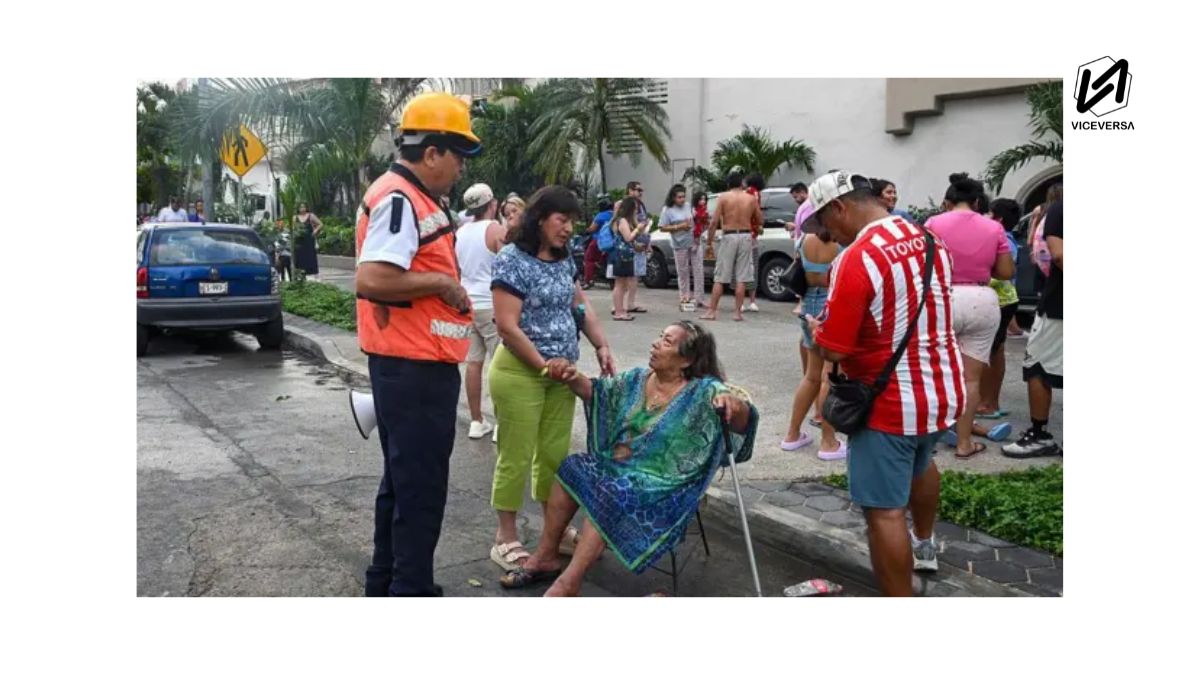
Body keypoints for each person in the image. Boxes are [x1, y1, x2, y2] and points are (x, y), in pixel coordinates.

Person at [498, 320, 758, 594]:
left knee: (609, 493)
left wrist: (735, 405)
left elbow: (742, 419)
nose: (656, 344)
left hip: (665, 483)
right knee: (572, 467)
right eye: (659, 336)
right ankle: (545, 558)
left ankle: (568, 583)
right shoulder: (637, 379)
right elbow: (597, 393)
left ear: (686, 360)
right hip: (621, 467)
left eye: (667, 342)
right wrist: (572, 376)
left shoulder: (704, 390)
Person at [806, 170, 964, 596]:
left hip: (888, 403)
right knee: (921, 464)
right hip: (941, 393)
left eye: (823, 222)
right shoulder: (930, 239)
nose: (826, 234)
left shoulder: (856, 259)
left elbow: (836, 349)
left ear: (839, 207)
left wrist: (815, 329)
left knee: (884, 514)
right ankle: (925, 542)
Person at [354, 92, 481, 597]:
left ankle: (387, 582)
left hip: (410, 366)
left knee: (403, 485)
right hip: (412, 370)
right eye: (458, 157)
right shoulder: (401, 200)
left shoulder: (410, 197)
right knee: (420, 490)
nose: (460, 171)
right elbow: (372, 279)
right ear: (431, 152)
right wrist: (442, 287)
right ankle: (411, 590)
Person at [488, 186, 615, 574]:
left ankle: (554, 533)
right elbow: (508, 326)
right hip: (520, 372)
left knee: (554, 458)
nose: (568, 228)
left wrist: (600, 344)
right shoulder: (512, 260)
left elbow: (579, 304)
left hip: (562, 375)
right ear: (540, 218)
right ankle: (505, 537)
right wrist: (545, 364)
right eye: (562, 220)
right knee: (516, 455)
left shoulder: (564, 259)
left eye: (573, 221)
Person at [925, 174, 1015, 458]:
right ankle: (964, 443)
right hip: (980, 300)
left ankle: (926, 442)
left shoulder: (932, 224)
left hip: (941, 298)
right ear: (977, 202)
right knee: (971, 379)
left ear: (947, 202)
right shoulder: (994, 228)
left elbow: (921, 262)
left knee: (931, 372)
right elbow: (1005, 272)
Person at [781, 220, 845, 460]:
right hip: (830, 307)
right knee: (829, 376)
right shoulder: (841, 244)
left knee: (811, 375)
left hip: (808, 304)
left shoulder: (804, 240)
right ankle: (828, 442)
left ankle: (792, 434)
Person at [1004, 198, 1063, 458]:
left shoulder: (1062, 208)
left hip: (1059, 304)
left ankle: (1039, 434)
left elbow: (1058, 254)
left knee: (1037, 366)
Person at [455, 183, 509, 441]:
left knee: (473, 364)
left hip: (467, 304)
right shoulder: (496, 230)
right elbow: (508, 268)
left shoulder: (461, 232)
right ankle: (502, 423)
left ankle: (477, 420)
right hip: (491, 304)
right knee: (501, 366)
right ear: (493, 204)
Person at [977, 198, 1022, 419]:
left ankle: (986, 403)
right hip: (1005, 301)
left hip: (998, 301)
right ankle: (991, 402)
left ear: (998, 219)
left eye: (989, 213)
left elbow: (1002, 274)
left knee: (985, 354)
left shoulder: (1002, 240)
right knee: (996, 353)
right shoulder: (1008, 239)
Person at [701, 171, 761, 322]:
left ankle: (712, 311)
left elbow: (714, 222)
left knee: (720, 276)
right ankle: (737, 313)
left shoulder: (724, 198)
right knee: (742, 276)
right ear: (742, 184)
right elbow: (760, 219)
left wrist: (709, 242)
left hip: (729, 234)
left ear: (728, 184)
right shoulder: (751, 198)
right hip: (746, 235)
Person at [659, 184, 702, 311]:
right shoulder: (667, 209)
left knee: (698, 269)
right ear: (673, 197)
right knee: (683, 271)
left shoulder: (688, 206)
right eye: (679, 197)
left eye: (684, 196)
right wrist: (679, 227)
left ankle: (699, 297)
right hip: (679, 243)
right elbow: (662, 227)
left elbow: (695, 219)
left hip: (693, 241)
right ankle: (684, 296)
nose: (682, 199)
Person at [610, 198, 646, 321]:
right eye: (635, 208)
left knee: (621, 284)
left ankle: (620, 309)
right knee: (620, 284)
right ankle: (619, 311)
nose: (636, 211)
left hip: (622, 254)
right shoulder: (622, 221)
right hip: (623, 256)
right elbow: (628, 237)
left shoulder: (617, 220)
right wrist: (638, 229)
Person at [742, 173, 766, 312]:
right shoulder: (755, 193)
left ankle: (743, 301)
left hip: (746, 233)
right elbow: (756, 214)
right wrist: (759, 226)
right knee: (752, 268)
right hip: (752, 235)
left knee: (743, 268)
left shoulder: (749, 192)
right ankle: (751, 300)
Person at [626, 182, 651, 314]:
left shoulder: (641, 205)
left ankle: (631, 303)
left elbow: (644, 225)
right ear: (630, 190)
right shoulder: (625, 205)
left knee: (635, 276)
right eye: (637, 190)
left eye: (641, 190)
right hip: (630, 245)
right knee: (625, 276)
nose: (640, 192)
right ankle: (619, 304)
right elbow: (625, 225)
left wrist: (648, 243)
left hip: (641, 243)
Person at [582, 198, 613, 290]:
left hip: (599, 241)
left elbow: (593, 228)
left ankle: (588, 281)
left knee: (589, 259)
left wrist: (585, 231)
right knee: (609, 260)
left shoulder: (600, 216)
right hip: (612, 242)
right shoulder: (615, 215)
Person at [293, 202, 323, 279]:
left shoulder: (311, 216)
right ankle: (300, 273)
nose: (302, 209)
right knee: (299, 257)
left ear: (306, 208)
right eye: (300, 207)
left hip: (309, 240)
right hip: (299, 241)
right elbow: (292, 228)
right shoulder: (295, 217)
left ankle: (312, 272)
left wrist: (315, 231)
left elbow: (320, 224)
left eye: (304, 207)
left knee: (310, 256)